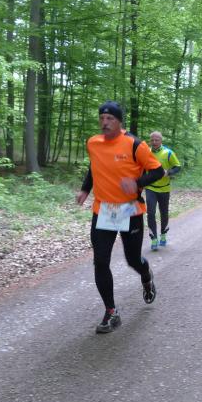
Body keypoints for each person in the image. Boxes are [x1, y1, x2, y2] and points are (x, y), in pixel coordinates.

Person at [76, 101, 165, 334]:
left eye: (110, 119)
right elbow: (94, 167)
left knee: (132, 260)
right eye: (102, 118)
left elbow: (158, 171)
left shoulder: (135, 144)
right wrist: (85, 189)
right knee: (100, 261)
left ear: (119, 121)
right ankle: (111, 311)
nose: (105, 122)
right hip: (103, 210)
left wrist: (137, 182)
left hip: (129, 209)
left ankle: (146, 275)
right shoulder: (93, 143)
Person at [145, 131, 181, 251]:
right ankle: (154, 238)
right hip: (150, 187)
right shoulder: (146, 152)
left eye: (157, 140)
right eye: (152, 140)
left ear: (161, 141)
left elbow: (178, 167)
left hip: (164, 188)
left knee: (163, 213)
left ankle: (163, 234)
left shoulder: (168, 153)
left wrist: (168, 172)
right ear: (150, 141)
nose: (154, 142)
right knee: (150, 212)